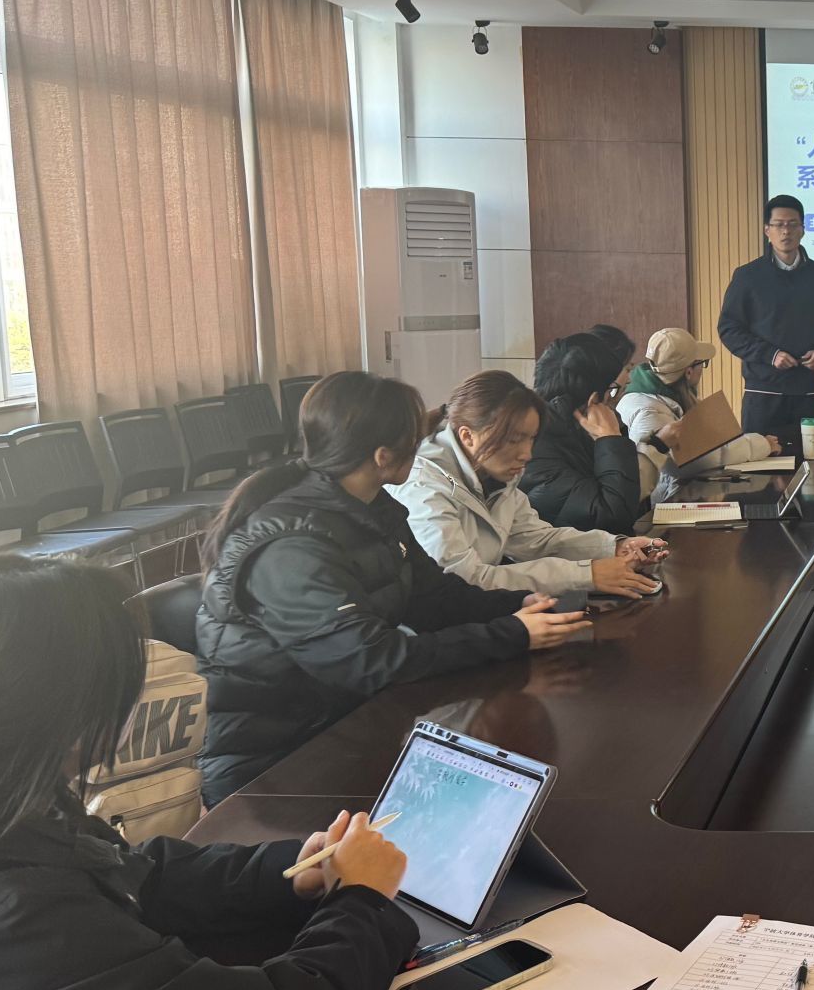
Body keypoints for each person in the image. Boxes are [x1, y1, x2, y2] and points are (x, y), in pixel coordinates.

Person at [0, 554, 422, 990]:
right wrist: (362, 903)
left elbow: (125, 870)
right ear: (60, 711)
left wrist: (286, 874)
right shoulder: (14, 917)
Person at [194, 371, 590, 805]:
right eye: (415, 440)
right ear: (383, 456)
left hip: (348, 726)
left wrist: (522, 605)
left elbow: (434, 597)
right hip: (274, 767)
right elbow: (370, 659)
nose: (424, 448)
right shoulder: (291, 546)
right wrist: (512, 633)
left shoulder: (373, 508)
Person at [399, 369, 667, 598]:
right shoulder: (424, 488)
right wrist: (586, 574)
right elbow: (464, 579)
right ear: (468, 436)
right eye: (514, 440)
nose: (527, 454)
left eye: (531, 439)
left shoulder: (494, 475)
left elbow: (536, 539)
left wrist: (615, 547)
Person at [718, 194, 814, 448]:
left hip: (806, 390)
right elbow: (729, 329)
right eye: (778, 225)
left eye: (792, 224)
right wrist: (770, 355)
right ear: (767, 230)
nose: (785, 231)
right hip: (763, 391)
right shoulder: (748, 276)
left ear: (803, 230)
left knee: (806, 459)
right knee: (759, 461)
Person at [521, 330, 670, 534]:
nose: (615, 397)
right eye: (612, 390)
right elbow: (612, 517)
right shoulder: (539, 446)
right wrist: (610, 439)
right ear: (593, 399)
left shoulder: (567, 429)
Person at [620, 327, 780, 496]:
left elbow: (709, 442)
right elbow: (688, 460)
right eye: (701, 363)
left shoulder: (666, 397)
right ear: (688, 372)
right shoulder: (648, 412)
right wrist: (760, 445)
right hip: (663, 505)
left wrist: (754, 442)